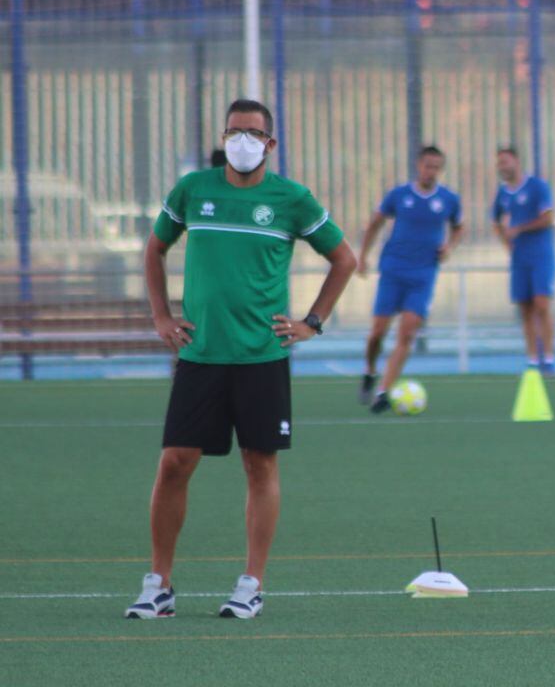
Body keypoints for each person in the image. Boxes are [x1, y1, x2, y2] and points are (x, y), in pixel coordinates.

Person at [126, 99, 356, 619]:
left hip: (262, 356)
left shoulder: (292, 200)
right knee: (174, 463)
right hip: (201, 354)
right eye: (235, 132)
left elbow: (344, 259)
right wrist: (162, 316)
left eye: (253, 134)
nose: (243, 142)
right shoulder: (193, 190)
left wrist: (311, 323)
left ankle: (250, 584)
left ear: (270, 144)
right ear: (224, 137)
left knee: (260, 465)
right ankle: (158, 583)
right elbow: (154, 249)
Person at [358, 146, 464, 412]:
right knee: (377, 334)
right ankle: (370, 371)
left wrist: (449, 247)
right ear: (419, 165)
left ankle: (383, 391)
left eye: (436, 167)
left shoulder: (449, 200)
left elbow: (460, 227)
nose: (431, 171)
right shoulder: (399, 195)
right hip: (393, 271)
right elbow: (375, 223)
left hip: (423, 275)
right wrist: (362, 256)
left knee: (406, 334)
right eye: (427, 165)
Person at [491, 147, 555, 373]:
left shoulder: (537, 186)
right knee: (525, 308)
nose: (502, 167)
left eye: (505, 162)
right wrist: (506, 241)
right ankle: (532, 359)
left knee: (542, 305)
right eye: (499, 163)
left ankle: (548, 357)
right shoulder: (502, 193)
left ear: (517, 162)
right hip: (519, 258)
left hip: (541, 256)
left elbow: (548, 218)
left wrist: (519, 228)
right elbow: (496, 221)